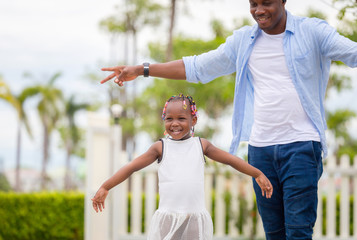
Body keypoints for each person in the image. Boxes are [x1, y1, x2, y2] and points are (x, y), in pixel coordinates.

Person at [100, 0, 357, 239]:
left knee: (299, 231)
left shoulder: (312, 32)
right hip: (261, 150)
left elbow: (352, 52)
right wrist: (143, 69)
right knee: (274, 233)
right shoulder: (244, 41)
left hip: (301, 146)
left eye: (266, 2)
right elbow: (198, 67)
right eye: (253, 4)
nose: (259, 10)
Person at [91, 94, 273, 240]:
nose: (175, 123)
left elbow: (231, 161)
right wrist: (106, 186)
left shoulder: (201, 145)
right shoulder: (160, 147)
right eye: (169, 118)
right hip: (167, 220)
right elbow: (131, 167)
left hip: (194, 219)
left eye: (181, 118)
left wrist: (257, 173)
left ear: (193, 120)